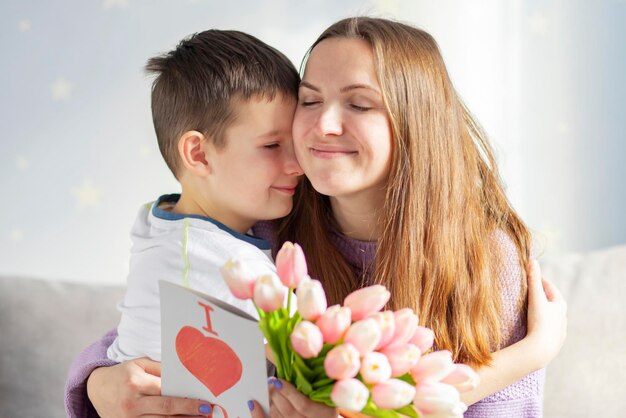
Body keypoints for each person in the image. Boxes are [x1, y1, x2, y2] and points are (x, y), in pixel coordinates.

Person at [65, 17, 567, 418]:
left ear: (416, 124)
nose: (323, 125)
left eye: (359, 104)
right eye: (310, 100)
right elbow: (154, 322)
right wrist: (97, 384)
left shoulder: (486, 262)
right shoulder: (270, 222)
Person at [65, 29, 304, 416]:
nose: (297, 165)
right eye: (272, 146)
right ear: (199, 154)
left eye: (294, 143)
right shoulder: (215, 261)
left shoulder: (161, 220)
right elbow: (311, 343)